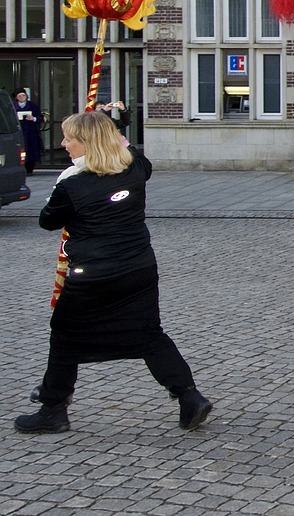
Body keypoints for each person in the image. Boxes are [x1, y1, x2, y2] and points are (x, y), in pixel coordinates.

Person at [15, 111, 213, 434]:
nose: (63, 144)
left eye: (70, 139)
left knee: (65, 335)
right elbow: (132, 152)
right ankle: (189, 397)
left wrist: (63, 181)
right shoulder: (134, 169)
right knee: (150, 335)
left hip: (93, 276)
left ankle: (53, 410)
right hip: (139, 269)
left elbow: (47, 220)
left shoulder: (72, 185)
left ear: (88, 144)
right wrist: (109, 123)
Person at [13, 89, 42, 174]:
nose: (22, 97)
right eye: (19, 96)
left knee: (31, 150)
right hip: (18, 131)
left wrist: (33, 118)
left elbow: (40, 117)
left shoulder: (33, 105)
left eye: (23, 95)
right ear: (16, 98)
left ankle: (29, 169)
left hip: (30, 132)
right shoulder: (12, 106)